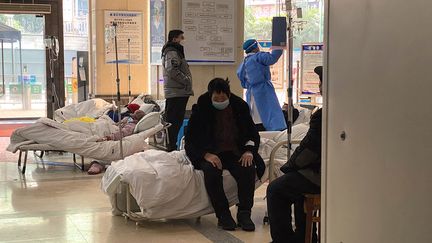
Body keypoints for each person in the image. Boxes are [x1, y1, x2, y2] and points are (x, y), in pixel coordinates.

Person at [185, 78, 265, 232]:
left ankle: (244, 213)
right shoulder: (202, 108)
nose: (220, 101)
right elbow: (190, 140)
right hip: (210, 153)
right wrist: (205, 154)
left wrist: (249, 151)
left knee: (248, 169)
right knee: (211, 172)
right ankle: (223, 215)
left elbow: (252, 134)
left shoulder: (240, 107)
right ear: (210, 96)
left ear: (229, 95)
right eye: (216, 98)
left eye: (223, 98)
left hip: (235, 151)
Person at [266, 66, 323, 243]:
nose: (320, 85)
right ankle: (305, 238)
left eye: (322, 82)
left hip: (322, 175)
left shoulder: (323, 116)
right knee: (297, 185)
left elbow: (308, 150)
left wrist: (290, 166)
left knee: (275, 189)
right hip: (328, 171)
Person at [237, 39, 286, 131]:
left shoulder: (244, 63)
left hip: (251, 93)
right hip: (264, 91)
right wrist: (278, 46)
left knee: (255, 117)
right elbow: (273, 58)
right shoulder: (259, 57)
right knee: (270, 115)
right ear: (255, 48)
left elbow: (242, 81)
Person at [162, 29, 193, 151]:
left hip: (178, 91)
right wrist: (185, 80)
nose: (183, 40)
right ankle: (171, 147)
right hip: (176, 92)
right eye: (181, 38)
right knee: (174, 121)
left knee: (176, 121)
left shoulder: (175, 51)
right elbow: (172, 70)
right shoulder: (172, 52)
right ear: (174, 39)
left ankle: (172, 146)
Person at [89, 110, 146, 175]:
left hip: (114, 136)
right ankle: (96, 163)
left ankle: (97, 163)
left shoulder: (131, 126)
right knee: (104, 119)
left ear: (135, 118)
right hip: (115, 129)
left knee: (101, 125)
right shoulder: (130, 123)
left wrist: (106, 138)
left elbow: (121, 134)